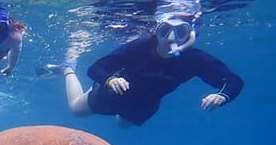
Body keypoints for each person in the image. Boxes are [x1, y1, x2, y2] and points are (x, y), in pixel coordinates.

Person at [41, 15, 243, 127]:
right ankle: (68, 69)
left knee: (124, 125)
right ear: (156, 33)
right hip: (116, 92)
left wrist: (222, 96)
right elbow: (96, 69)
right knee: (76, 110)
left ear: (188, 35)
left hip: (145, 105)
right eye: (164, 31)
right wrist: (110, 80)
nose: (170, 38)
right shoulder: (138, 48)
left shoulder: (194, 59)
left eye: (179, 32)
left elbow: (233, 81)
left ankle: (122, 112)